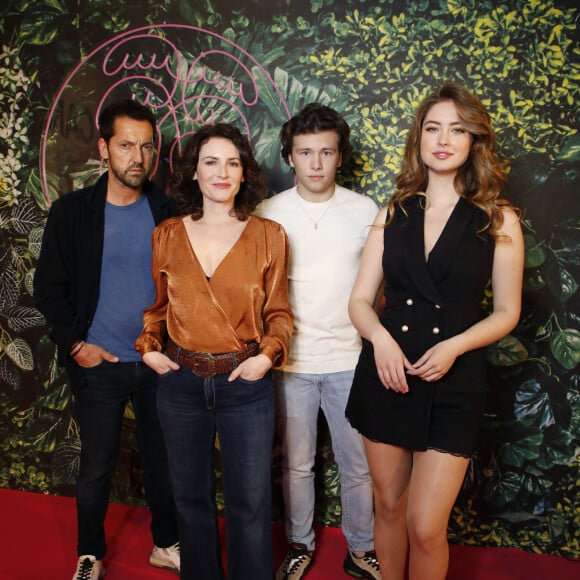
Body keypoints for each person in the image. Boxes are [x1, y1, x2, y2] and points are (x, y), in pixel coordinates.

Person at [345, 81, 525, 580]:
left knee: (426, 526)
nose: (443, 139)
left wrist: (455, 346)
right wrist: (379, 339)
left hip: (453, 380)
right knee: (389, 507)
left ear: (473, 143)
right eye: (433, 128)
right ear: (418, 139)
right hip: (388, 375)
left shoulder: (499, 219)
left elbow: (507, 311)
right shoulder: (391, 214)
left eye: (458, 129)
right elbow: (360, 301)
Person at [134, 123, 294, 580]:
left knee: (250, 502)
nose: (222, 172)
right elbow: (157, 309)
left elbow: (280, 312)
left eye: (232, 162)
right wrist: (149, 348)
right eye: (211, 162)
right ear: (194, 173)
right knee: (190, 499)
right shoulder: (166, 235)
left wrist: (266, 357)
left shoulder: (269, 235)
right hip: (180, 384)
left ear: (244, 173)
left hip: (245, 382)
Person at [33, 98, 180, 580]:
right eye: (125, 145)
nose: (137, 157)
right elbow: (48, 289)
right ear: (104, 148)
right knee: (96, 465)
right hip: (100, 363)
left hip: (156, 360)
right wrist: (78, 346)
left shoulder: (168, 211)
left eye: (145, 147)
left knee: (164, 462)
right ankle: (90, 553)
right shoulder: (73, 212)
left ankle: (165, 544)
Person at [258, 103, 381, 580]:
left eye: (325, 152)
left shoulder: (364, 209)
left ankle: (362, 548)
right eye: (305, 152)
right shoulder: (269, 213)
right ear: (289, 156)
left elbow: (379, 285)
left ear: (339, 156)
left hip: (352, 361)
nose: (315, 163)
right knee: (297, 465)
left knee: (359, 465)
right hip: (292, 363)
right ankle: (299, 545)